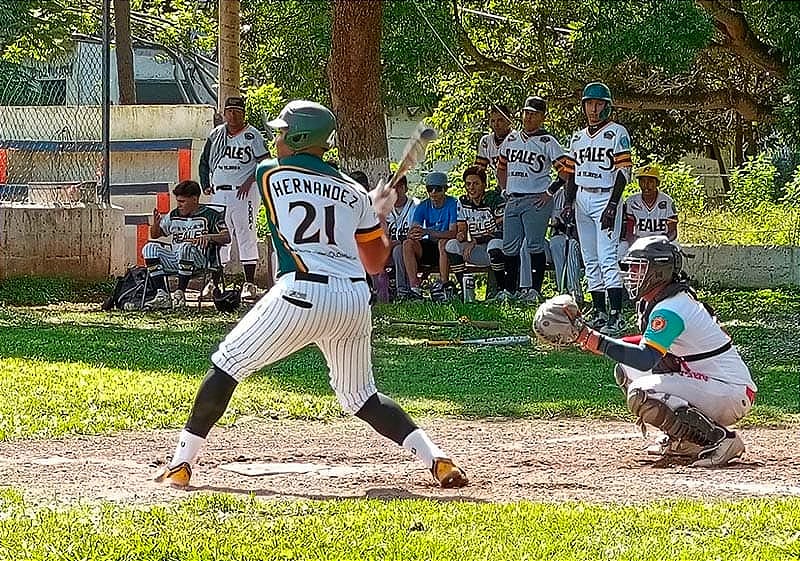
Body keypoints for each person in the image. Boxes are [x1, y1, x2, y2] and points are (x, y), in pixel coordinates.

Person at [154, 100, 468, 490]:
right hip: (353, 300)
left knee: (227, 366)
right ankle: (437, 458)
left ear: (300, 136)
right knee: (362, 397)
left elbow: (304, 205)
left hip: (301, 291)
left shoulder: (269, 172)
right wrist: (376, 212)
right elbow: (374, 261)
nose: (276, 138)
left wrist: (368, 209)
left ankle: (181, 463)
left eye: (283, 132)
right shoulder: (354, 192)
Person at [573, 235, 756, 466]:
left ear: (659, 271)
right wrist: (596, 341)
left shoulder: (670, 308)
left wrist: (598, 341)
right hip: (712, 383)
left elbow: (645, 359)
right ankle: (689, 439)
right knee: (626, 369)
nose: (632, 275)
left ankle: (722, 439)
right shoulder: (663, 301)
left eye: (639, 268)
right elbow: (647, 345)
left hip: (728, 391)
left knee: (642, 392)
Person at [561, 82, 632, 334]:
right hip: (582, 194)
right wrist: (568, 202)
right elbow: (570, 172)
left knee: (607, 256)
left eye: (598, 103)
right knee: (590, 258)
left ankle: (617, 314)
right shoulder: (578, 136)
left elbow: (623, 171)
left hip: (606, 195)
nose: (593, 109)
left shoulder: (617, 132)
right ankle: (599, 310)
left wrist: (613, 204)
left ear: (607, 106)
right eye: (589, 103)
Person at [497, 96, 570, 302]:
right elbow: (501, 166)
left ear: (542, 117)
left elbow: (565, 170)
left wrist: (549, 192)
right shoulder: (511, 139)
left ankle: (534, 290)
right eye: (526, 113)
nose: (528, 117)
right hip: (513, 197)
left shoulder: (548, 142)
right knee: (509, 246)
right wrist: (504, 189)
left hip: (536, 198)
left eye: (534, 114)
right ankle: (509, 290)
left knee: (534, 245)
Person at [199, 96, 270, 301]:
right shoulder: (216, 135)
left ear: (243, 113)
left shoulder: (252, 135)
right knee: (219, 234)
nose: (233, 115)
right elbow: (204, 162)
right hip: (219, 191)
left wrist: (250, 180)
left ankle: (249, 282)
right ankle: (214, 281)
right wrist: (205, 183)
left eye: (237, 111)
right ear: (224, 113)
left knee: (245, 233)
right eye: (229, 111)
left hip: (244, 191)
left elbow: (263, 162)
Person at [142, 180, 231, 309]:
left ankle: (180, 293)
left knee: (186, 246)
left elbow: (226, 237)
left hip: (200, 259)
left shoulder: (211, 215)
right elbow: (155, 235)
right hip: (175, 257)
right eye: (178, 201)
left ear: (194, 199)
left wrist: (209, 237)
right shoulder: (174, 215)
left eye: (182, 202)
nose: (179, 205)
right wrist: (155, 224)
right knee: (149, 248)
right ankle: (162, 294)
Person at [444, 166, 506, 297]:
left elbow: (502, 231)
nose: (471, 188)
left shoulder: (494, 200)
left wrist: (476, 241)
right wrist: (461, 235)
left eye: (476, 183)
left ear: (484, 184)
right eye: (468, 184)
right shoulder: (463, 201)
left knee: (494, 245)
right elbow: (462, 227)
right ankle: (465, 289)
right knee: (451, 245)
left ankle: (502, 290)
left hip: (497, 249)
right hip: (477, 249)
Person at [401, 171, 458, 301]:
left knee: (443, 243)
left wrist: (428, 232)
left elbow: (452, 232)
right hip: (430, 247)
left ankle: (444, 285)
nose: (433, 193)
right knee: (407, 244)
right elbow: (415, 228)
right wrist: (414, 233)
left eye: (437, 189)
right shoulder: (423, 206)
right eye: (429, 189)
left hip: (447, 249)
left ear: (445, 189)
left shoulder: (452, 204)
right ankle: (414, 287)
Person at [618, 164, 679, 260]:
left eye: (650, 181)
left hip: (661, 239)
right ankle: (623, 274)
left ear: (657, 183)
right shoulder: (631, 201)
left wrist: (664, 241)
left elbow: (673, 232)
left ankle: (675, 274)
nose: (646, 185)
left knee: (676, 250)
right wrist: (634, 244)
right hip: (639, 240)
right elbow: (629, 231)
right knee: (621, 249)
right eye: (642, 181)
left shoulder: (667, 202)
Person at [385, 176, 420, 300]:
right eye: (392, 188)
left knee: (399, 249)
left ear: (405, 188)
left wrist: (395, 242)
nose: (396, 191)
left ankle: (403, 291)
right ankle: (378, 291)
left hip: (415, 249)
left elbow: (415, 235)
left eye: (399, 187)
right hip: (390, 248)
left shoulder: (415, 205)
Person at [547, 188, 584, 305]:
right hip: (562, 235)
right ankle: (562, 290)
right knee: (556, 243)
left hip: (584, 239)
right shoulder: (557, 195)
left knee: (572, 245)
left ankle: (575, 292)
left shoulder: (585, 195)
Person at [475, 104, 513, 186]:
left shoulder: (517, 139)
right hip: (501, 186)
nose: (496, 124)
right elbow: (479, 170)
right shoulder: (486, 141)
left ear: (509, 120)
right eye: (493, 121)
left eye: (500, 120)